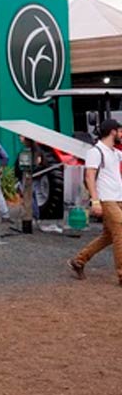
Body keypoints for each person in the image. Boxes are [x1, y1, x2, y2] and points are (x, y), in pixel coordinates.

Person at [68, 119, 122, 285]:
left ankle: (79, 260)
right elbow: (89, 176)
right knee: (120, 230)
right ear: (112, 132)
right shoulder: (96, 151)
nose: (121, 134)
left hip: (117, 198)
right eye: (120, 131)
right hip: (106, 198)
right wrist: (95, 200)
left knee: (108, 236)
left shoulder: (114, 152)